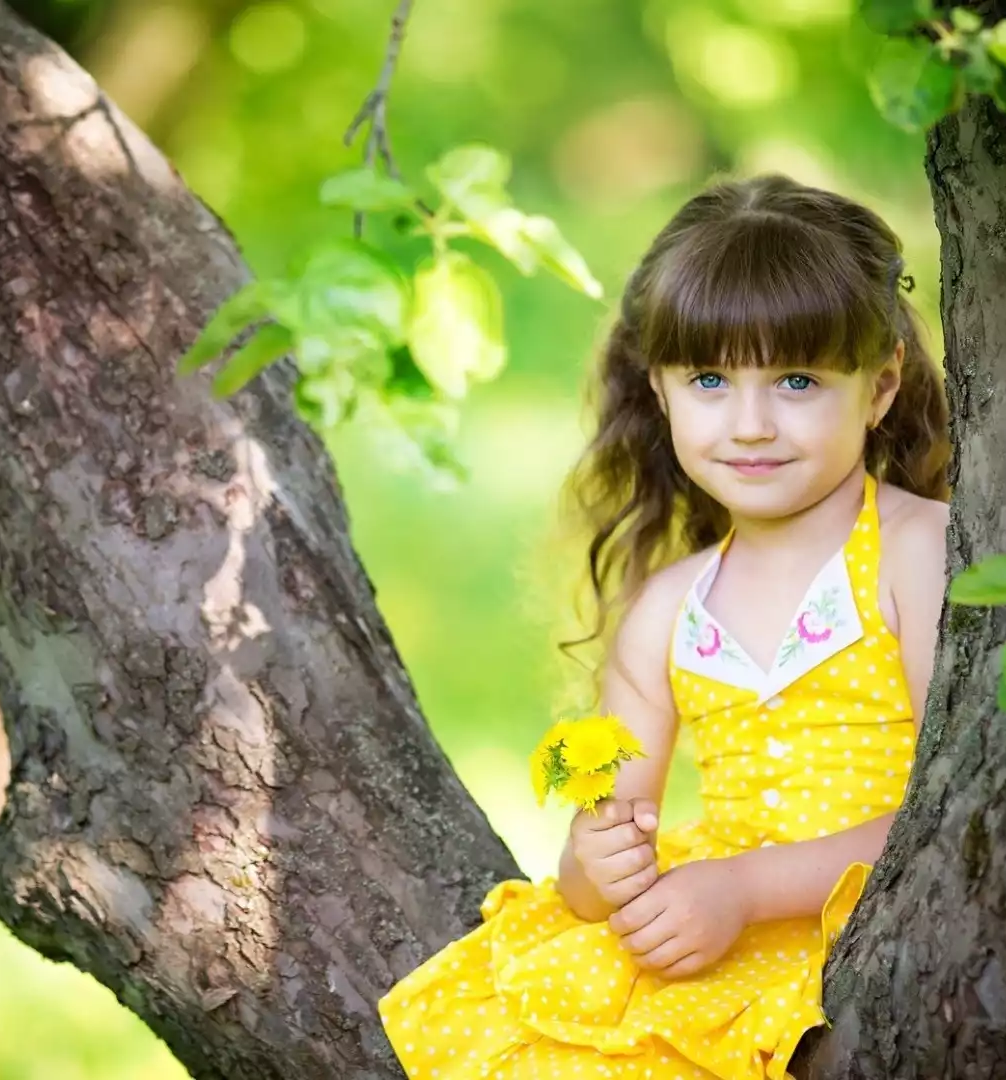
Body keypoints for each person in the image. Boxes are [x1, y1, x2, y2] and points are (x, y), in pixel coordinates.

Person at [377, 173, 954, 1079]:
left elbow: (954, 812)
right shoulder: (668, 612)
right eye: (712, 380)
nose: (752, 423)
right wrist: (596, 863)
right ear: (661, 390)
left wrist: (746, 889)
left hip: (861, 925)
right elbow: (601, 852)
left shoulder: (917, 553)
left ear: (879, 387)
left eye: (798, 379)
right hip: (714, 931)